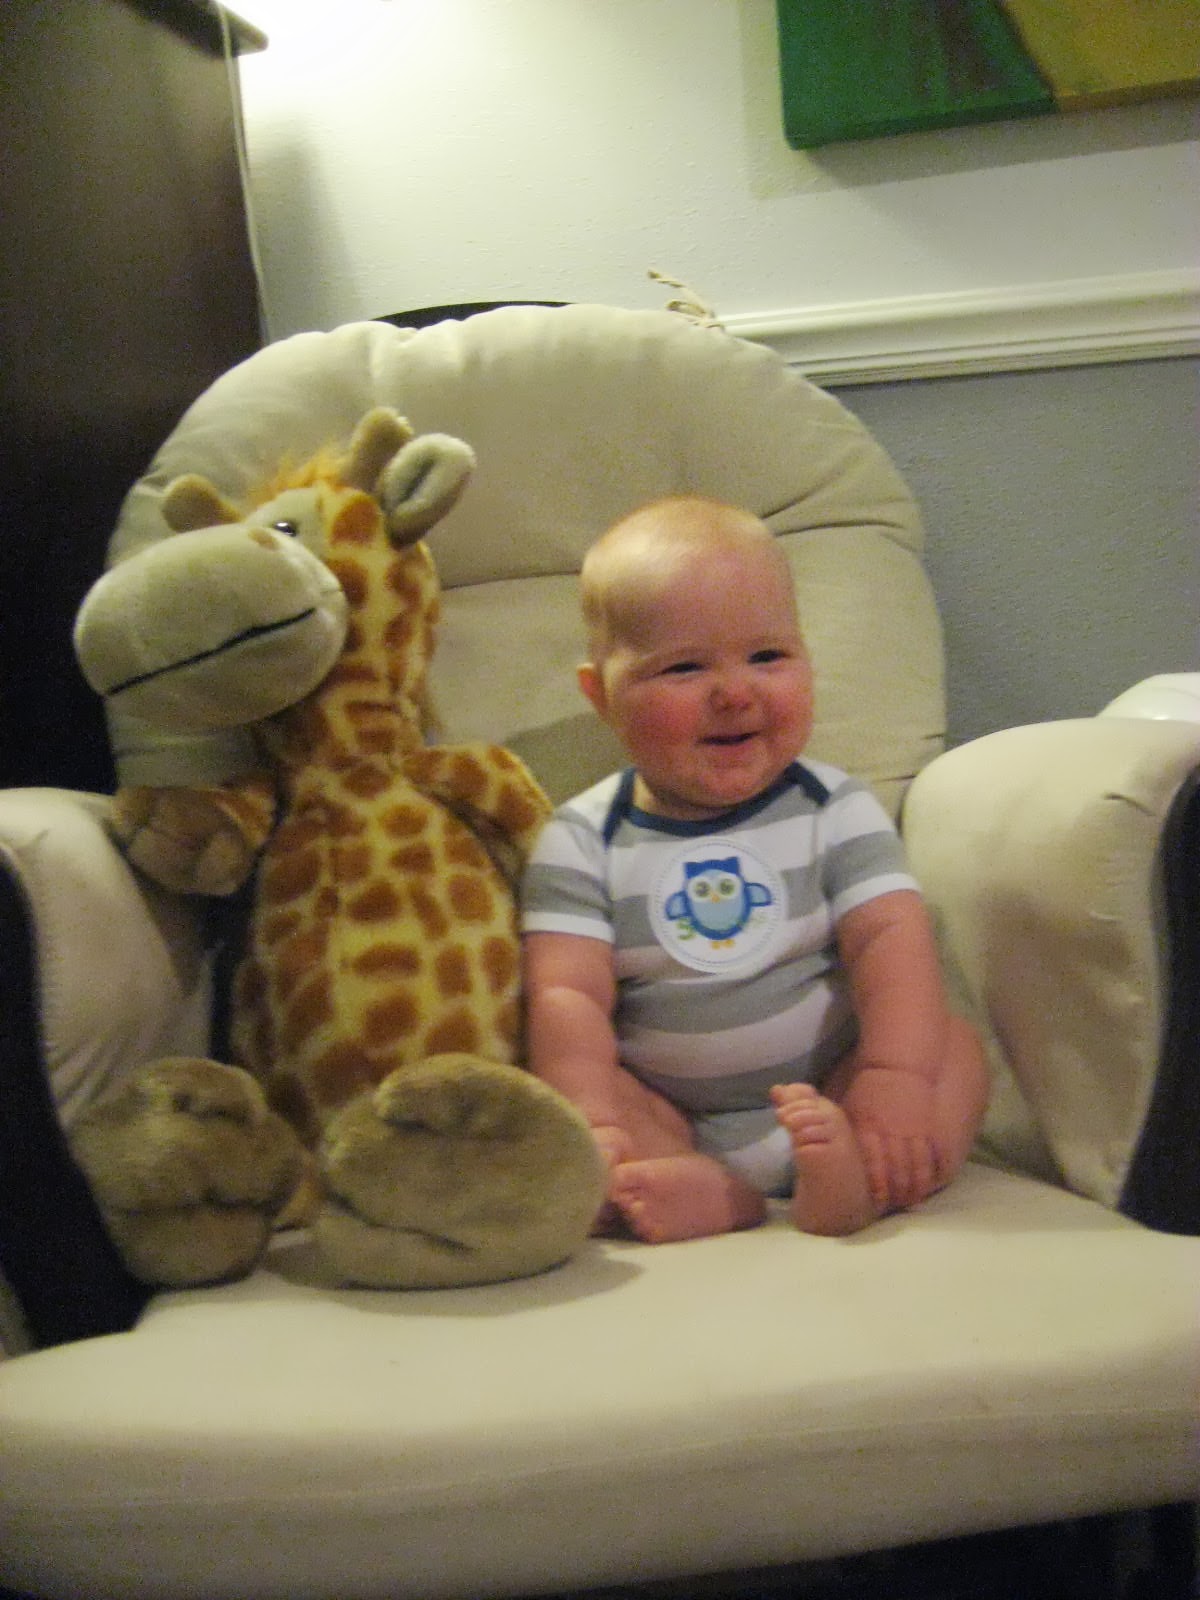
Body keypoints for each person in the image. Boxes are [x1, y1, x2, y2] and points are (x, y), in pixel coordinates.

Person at [520, 495, 988, 1243]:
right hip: (671, 1113)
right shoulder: (581, 839)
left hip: (836, 1090)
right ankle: (715, 1191)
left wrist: (890, 1080)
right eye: (684, 667)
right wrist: (596, 1119)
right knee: (581, 1087)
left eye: (767, 657)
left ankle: (856, 1182)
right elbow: (566, 995)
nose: (735, 693)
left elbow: (891, 942)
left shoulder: (833, 807)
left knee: (955, 1052)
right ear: (601, 696)